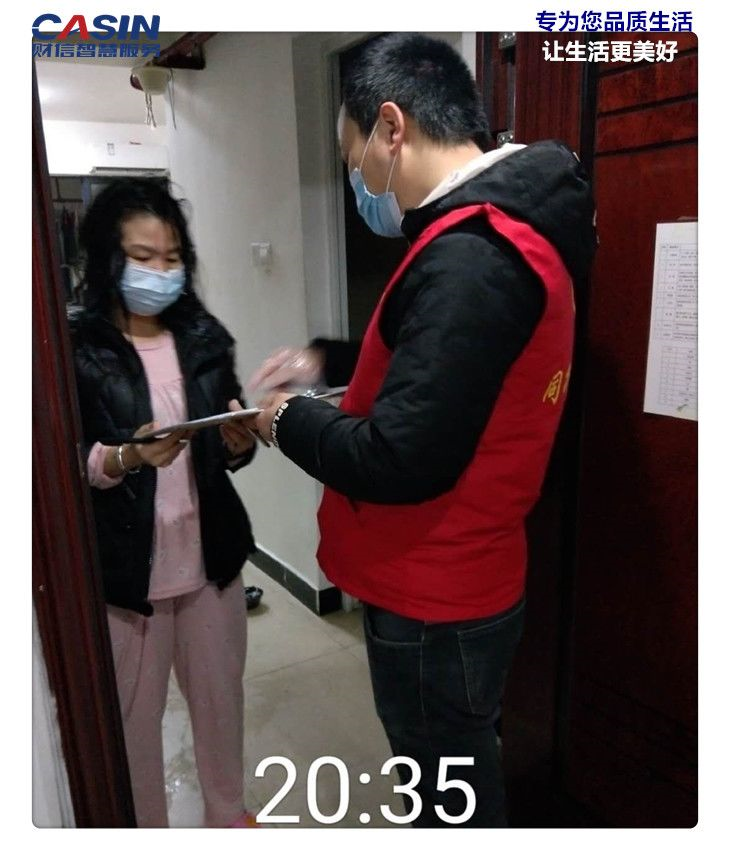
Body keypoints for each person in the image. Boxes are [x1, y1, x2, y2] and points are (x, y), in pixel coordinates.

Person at [247, 33, 597, 827]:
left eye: (353, 156)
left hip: (435, 590)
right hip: (460, 575)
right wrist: (328, 358)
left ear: (391, 127)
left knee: (446, 793)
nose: (358, 178)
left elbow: (401, 458)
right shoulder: (499, 233)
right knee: (454, 768)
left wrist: (287, 420)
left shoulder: (474, 254)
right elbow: (450, 365)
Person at [69, 178, 258, 828]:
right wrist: (125, 456)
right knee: (132, 729)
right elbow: (60, 464)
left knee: (221, 711)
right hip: (126, 577)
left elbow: (229, 436)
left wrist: (237, 442)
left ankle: (227, 821)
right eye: (142, 257)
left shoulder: (205, 337)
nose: (160, 271)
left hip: (211, 564)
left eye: (171, 257)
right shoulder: (74, 348)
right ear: (107, 259)